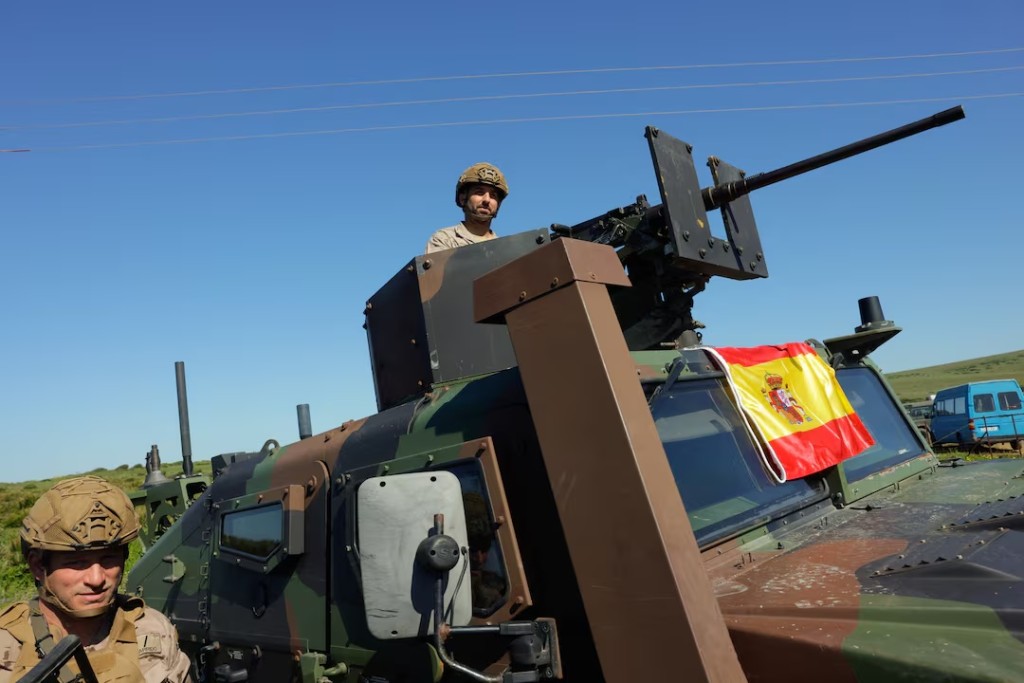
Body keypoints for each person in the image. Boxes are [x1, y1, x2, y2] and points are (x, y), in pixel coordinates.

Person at [0, 475, 192, 683]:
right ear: (38, 565)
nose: (97, 578)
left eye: (108, 558)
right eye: (76, 563)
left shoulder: (151, 628)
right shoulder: (6, 643)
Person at [425, 162, 509, 253]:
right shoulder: (445, 239)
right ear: (463, 198)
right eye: (479, 192)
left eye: (493, 195)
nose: (487, 200)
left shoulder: (505, 249)